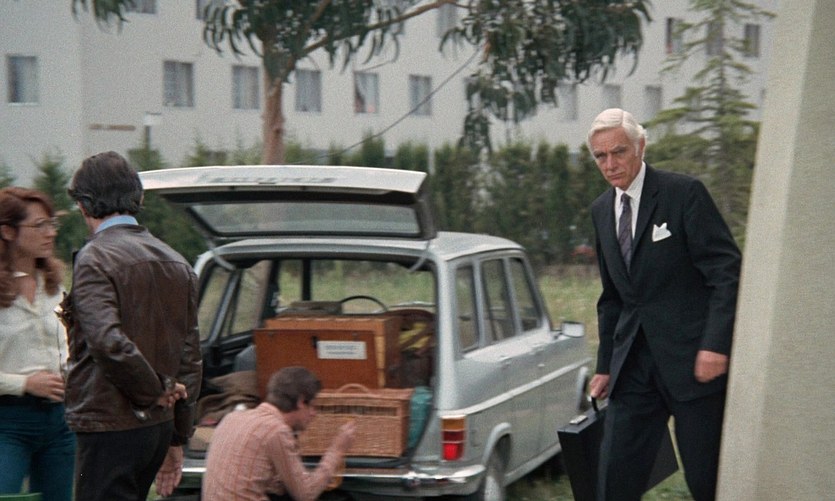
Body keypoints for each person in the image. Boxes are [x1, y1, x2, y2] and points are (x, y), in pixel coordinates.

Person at [586, 109, 741, 501]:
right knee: (613, 481)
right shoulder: (601, 210)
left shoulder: (683, 193)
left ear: (640, 146)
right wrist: (605, 365)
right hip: (633, 367)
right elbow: (612, 297)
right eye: (601, 156)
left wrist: (716, 345)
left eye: (619, 152)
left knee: (706, 483)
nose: (610, 164)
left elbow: (726, 272)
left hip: (694, 365)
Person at [62, 151, 203, 501]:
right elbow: (189, 358)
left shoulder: (95, 258)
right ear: (136, 198)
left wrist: (155, 391)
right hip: (157, 428)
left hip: (110, 424)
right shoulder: (177, 262)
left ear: (84, 205)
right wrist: (177, 436)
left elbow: (107, 342)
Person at [0, 187, 75, 501]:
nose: (51, 233)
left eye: (52, 224)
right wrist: (25, 383)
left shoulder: (54, 286)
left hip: (59, 421)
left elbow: (69, 345)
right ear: (7, 231)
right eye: (40, 225)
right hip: (8, 421)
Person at [203, 366, 356, 501]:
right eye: (313, 406)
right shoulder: (276, 431)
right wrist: (337, 450)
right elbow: (306, 493)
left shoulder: (232, 418)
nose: (314, 414)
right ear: (301, 402)